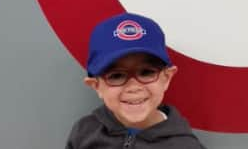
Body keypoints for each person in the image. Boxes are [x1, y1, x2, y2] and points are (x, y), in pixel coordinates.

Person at [66, 12, 206, 148]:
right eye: (116, 76)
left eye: (146, 72)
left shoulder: (185, 145)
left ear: (166, 78)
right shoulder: (84, 132)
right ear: (96, 86)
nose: (133, 87)